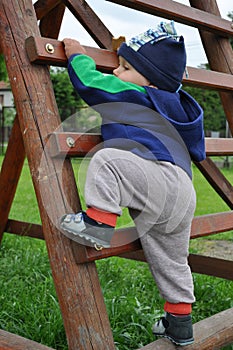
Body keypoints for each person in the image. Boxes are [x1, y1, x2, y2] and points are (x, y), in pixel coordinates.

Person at [60, 21, 206, 346]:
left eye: (124, 68)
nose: (116, 73)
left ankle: (98, 223)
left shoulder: (134, 93)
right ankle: (180, 323)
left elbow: (91, 84)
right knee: (172, 259)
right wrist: (128, 60)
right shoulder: (179, 107)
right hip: (182, 189)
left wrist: (77, 54)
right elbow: (197, 150)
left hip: (152, 176)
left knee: (107, 160)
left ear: (149, 80)